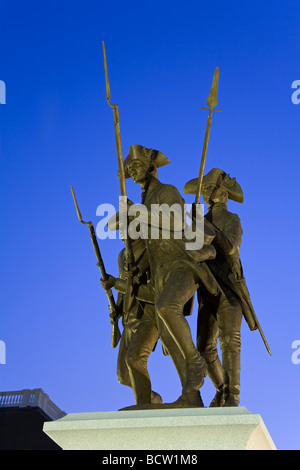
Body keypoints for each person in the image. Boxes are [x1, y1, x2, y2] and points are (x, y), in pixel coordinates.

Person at [118, 144, 220, 407]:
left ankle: (195, 362)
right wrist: (134, 267)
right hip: (161, 272)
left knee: (166, 307)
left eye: (136, 166)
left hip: (182, 263)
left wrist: (137, 212)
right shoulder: (143, 202)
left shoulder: (167, 191)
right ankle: (191, 397)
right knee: (167, 332)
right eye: (129, 169)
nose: (132, 171)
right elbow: (145, 246)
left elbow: (176, 222)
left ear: (152, 167)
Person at [184, 168, 257, 407]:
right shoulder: (199, 223)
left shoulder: (231, 219)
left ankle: (233, 394)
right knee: (204, 347)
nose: (205, 192)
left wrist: (205, 229)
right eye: (203, 189)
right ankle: (221, 388)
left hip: (229, 290)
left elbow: (229, 250)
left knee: (230, 340)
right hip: (208, 290)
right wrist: (192, 228)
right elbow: (190, 255)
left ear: (223, 194)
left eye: (209, 188)